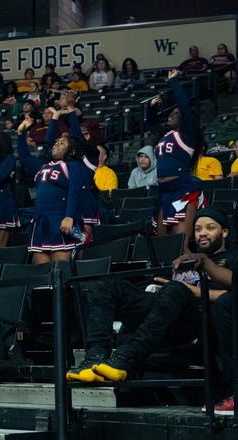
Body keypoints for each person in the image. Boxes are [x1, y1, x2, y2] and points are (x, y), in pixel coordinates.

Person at [67, 208, 238, 385]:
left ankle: (127, 357)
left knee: (176, 289)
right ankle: (95, 356)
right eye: (197, 229)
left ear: (224, 232)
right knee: (107, 285)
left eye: (210, 228)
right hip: (168, 310)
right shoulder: (187, 258)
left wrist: (192, 291)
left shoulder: (233, 257)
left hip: (198, 320)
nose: (202, 233)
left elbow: (232, 297)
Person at [149, 70, 205, 253]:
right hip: (163, 191)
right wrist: (151, 110)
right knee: (163, 245)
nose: (171, 115)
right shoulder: (165, 136)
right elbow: (152, 125)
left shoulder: (188, 134)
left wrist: (174, 82)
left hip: (182, 190)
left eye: (175, 113)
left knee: (181, 246)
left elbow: (184, 105)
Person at [16, 114, 84, 264]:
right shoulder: (43, 166)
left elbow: (74, 191)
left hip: (62, 218)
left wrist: (70, 216)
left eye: (61, 143)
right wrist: (21, 134)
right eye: (56, 142)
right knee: (42, 274)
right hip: (42, 221)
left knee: (62, 271)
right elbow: (24, 157)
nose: (56, 144)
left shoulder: (74, 165)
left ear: (71, 151)